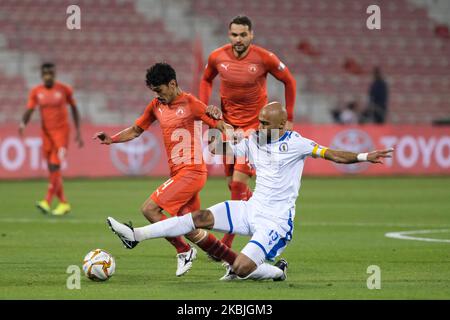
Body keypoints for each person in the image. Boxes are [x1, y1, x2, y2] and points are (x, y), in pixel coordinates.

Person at [106, 102, 393, 281]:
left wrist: (366, 156)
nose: (260, 126)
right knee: (200, 216)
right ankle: (136, 236)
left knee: (242, 269)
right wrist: (216, 123)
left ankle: (278, 271)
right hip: (251, 208)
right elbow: (218, 148)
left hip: (276, 221)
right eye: (259, 121)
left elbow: (332, 154)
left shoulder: (297, 143)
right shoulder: (253, 138)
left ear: (281, 125)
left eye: (266, 123)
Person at [94, 63, 237, 277]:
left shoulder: (191, 104)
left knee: (150, 209)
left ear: (172, 84)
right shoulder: (156, 105)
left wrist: (220, 122)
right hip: (179, 173)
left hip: (192, 171)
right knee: (189, 228)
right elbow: (135, 130)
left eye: (160, 90)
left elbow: (222, 126)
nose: (158, 95)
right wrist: (112, 139)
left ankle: (183, 251)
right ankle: (235, 263)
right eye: (154, 91)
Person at [199, 15, 297, 249]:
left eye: (243, 34)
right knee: (233, 185)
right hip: (227, 127)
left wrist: (289, 118)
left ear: (251, 35)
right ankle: (265, 216)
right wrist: (205, 110)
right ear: (229, 35)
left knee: (239, 181)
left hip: (255, 130)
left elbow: (289, 81)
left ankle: (227, 242)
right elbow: (205, 80)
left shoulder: (265, 58)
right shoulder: (217, 57)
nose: (238, 39)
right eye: (234, 34)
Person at [19, 62, 84, 216]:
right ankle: (64, 203)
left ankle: (46, 201)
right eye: (46, 73)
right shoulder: (36, 91)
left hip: (61, 133)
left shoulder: (64, 89)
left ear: (54, 74)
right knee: (51, 169)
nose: (48, 76)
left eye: (51, 73)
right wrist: (23, 124)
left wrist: (78, 131)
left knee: (55, 166)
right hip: (46, 134)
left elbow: (74, 108)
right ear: (42, 75)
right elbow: (30, 109)